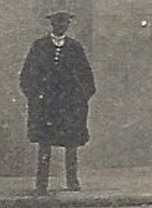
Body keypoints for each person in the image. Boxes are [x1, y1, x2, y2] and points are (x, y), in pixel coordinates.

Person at [19, 10, 96, 196]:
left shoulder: (75, 48)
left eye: (65, 23)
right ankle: (41, 184)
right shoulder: (40, 46)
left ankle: (72, 181)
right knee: (45, 143)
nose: (61, 26)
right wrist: (36, 96)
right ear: (52, 25)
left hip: (69, 104)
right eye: (58, 23)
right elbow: (27, 75)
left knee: (71, 144)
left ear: (68, 26)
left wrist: (81, 98)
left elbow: (87, 78)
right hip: (47, 105)